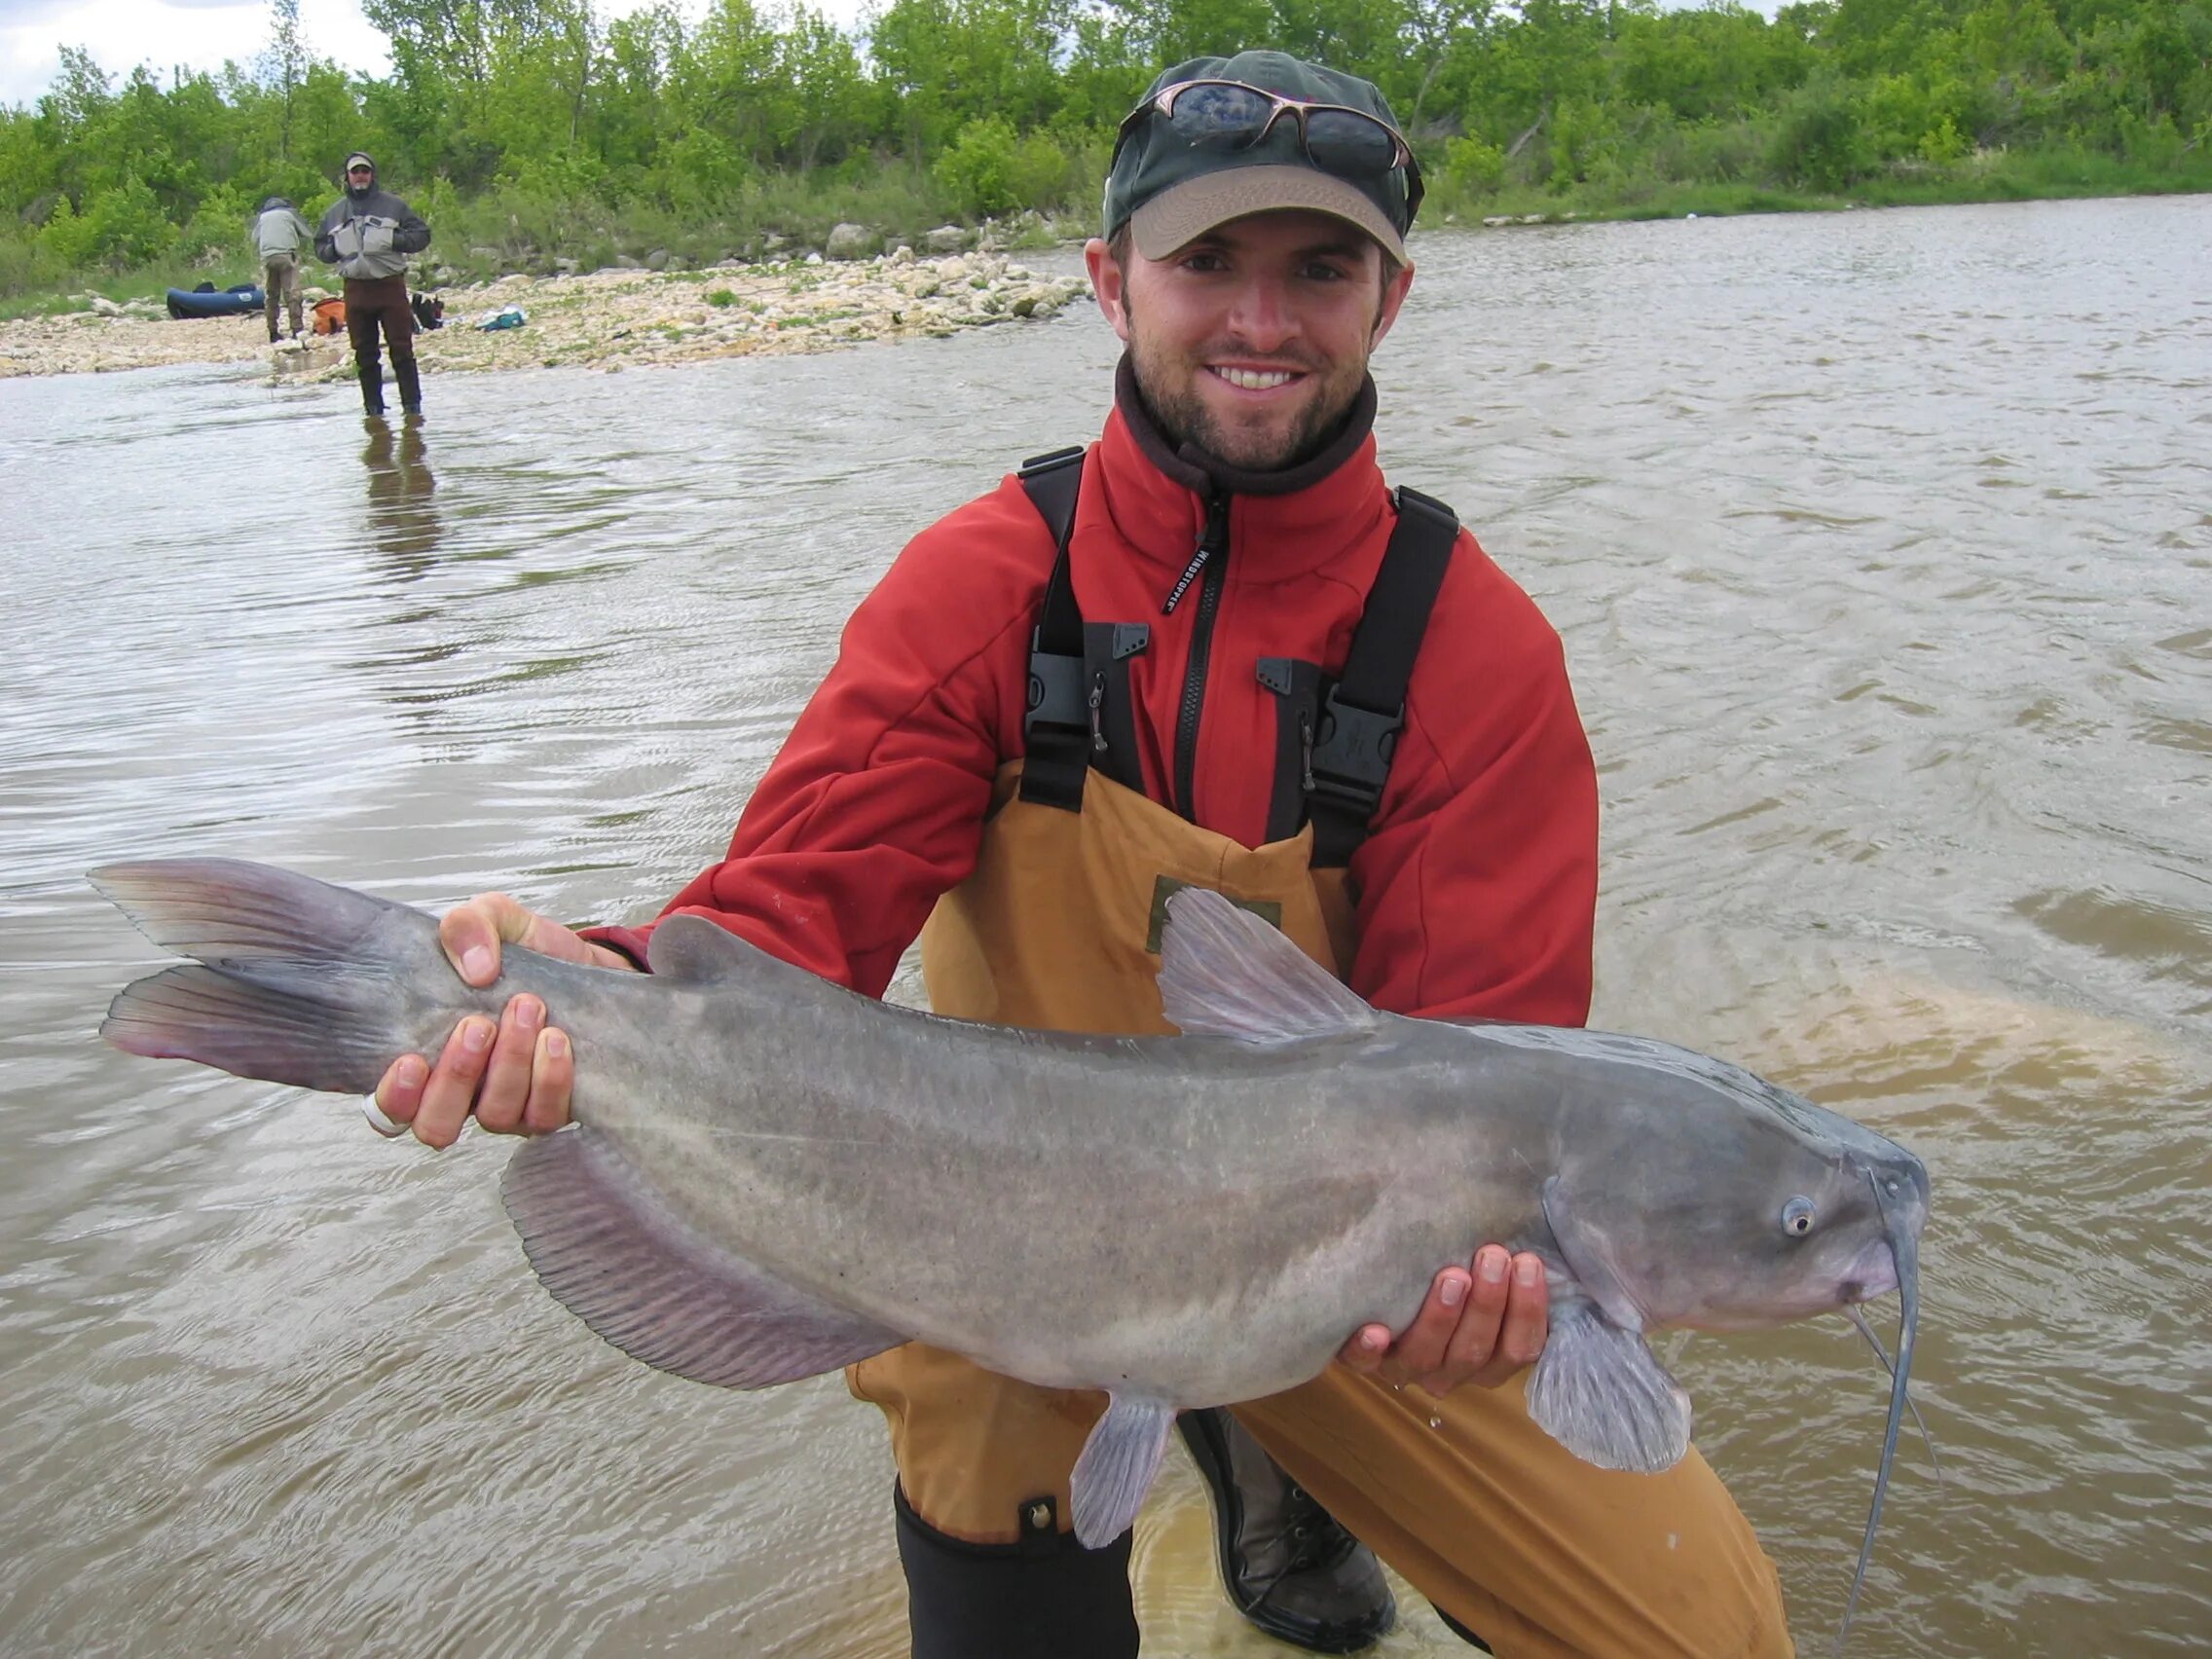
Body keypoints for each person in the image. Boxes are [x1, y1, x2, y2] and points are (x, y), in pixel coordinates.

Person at [369, 49, 1794, 1659]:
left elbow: (1502, 1054)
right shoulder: (986, 579)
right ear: (1111, 283)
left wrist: (1475, 1314)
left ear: (1386, 299)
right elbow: (781, 928)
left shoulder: (1472, 650)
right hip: (995, 1225)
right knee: (980, 1471)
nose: (1261, 319)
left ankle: (1264, 1435)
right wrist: (580, 985)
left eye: (1318, 269)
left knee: (1703, 1629)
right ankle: (1176, 1436)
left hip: (1335, 1261)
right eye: (1207, 265)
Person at [315, 151, 431, 419]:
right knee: (364, 354)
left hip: (390, 287)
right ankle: (373, 414)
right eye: (355, 172)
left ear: (372, 174)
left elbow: (422, 235)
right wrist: (333, 249)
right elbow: (319, 246)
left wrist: (393, 240)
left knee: (402, 349)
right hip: (355, 290)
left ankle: (413, 413)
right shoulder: (334, 213)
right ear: (346, 176)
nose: (360, 176)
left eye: (364, 171)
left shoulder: (394, 206)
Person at [250, 195, 313, 343]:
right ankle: (296, 329)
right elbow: (306, 233)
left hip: (267, 257)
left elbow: (254, 238)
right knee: (292, 293)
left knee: (271, 294)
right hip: (286, 255)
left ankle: (273, 331)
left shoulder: (262, 217)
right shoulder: (288, 214)